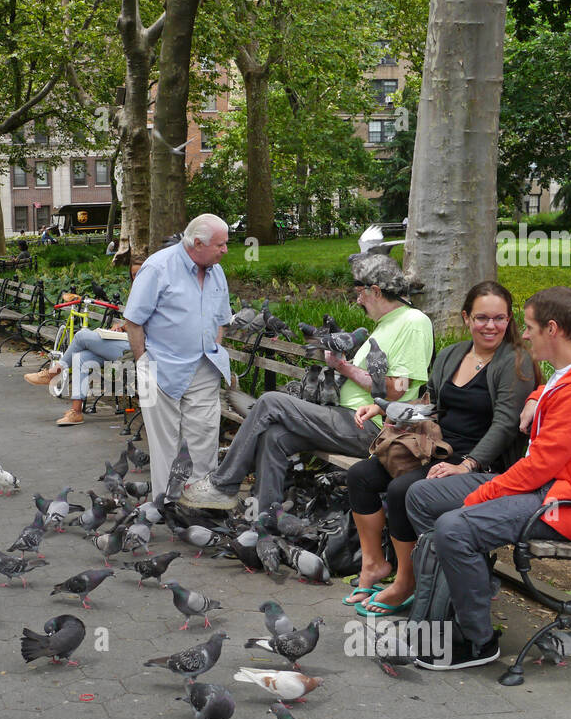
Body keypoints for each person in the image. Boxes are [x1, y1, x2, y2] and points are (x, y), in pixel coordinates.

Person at [403, 286, 571, 669]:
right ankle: (452, 600)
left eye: (529, 327)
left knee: (454, 528)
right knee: (421, 496)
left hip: (567, 505)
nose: (522, 334)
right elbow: (555, 387)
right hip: (543, 489)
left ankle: (477, 641)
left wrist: (480, 496)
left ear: (552, 330)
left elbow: (539, 467)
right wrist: (534, 396)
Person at [343, 281, 541, 616]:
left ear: (509, 320)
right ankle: (374, 565)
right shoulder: (452, 355)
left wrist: (469, 465)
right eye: (481, 318)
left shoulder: (515, 363)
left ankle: (406, 580)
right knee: (361, 475)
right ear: (466, 318)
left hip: (480, 462)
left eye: (499, 318)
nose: (490, 326)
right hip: (435, 448)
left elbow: (506, 425)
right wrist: (386, 410)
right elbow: (430, 404)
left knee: (404, 489)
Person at [181, 252, 434, 512]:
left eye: (360, 293)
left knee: (270, 402)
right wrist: (339, 369)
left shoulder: (413, 322)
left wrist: (343, 368)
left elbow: (396, 389)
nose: (358, 300)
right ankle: (266, 520)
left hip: (374, 427)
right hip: (347, 418)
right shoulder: (385, 324)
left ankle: (222, 485)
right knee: (274, 436)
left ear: (377, 291)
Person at [122, 214, 232, 494]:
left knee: (205, 439)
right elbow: (133, 320)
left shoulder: (216, 271)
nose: (225, 250)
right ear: (197, 243)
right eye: (220, 245)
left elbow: (221, 318)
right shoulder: (157, 267)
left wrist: (216, 347)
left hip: (205, 367)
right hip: (159, 369)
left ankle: (199, 500)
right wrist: (142, 362)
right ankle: (167, 503)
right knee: (164, 445)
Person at [24, 327, 129, 426]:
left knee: (81, 336)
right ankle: (76, 413)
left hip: (135, 349)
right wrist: (120, 327)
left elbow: (139, 328)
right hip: (124, 343)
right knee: (80, 358)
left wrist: (126, 327)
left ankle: (52, 374)